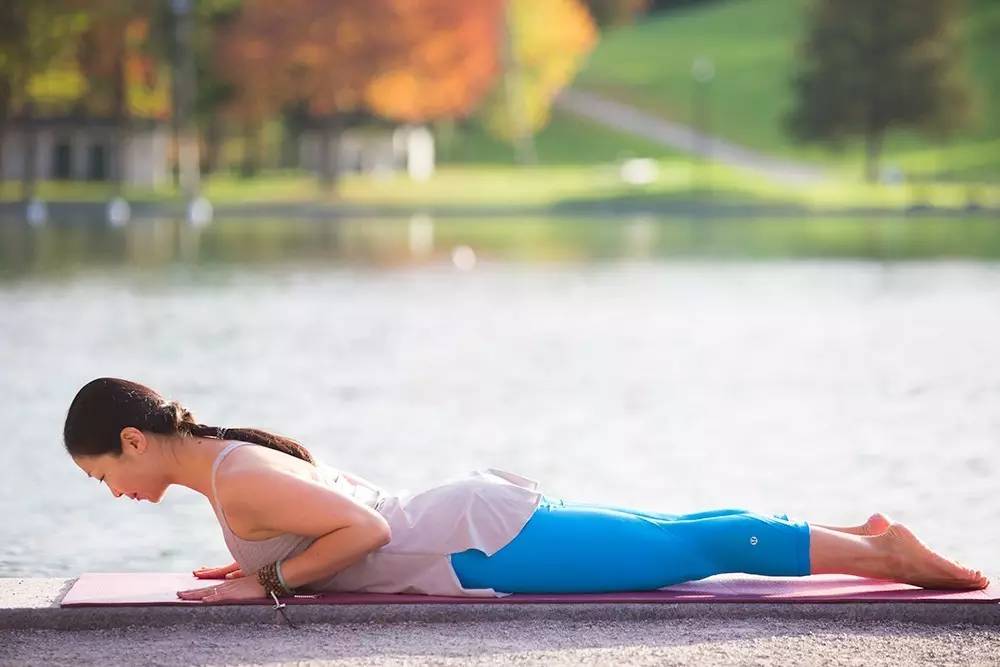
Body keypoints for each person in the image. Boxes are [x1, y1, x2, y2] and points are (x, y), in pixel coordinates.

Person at [63, 377, 989, 604]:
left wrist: (264, 582)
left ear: (134, 441)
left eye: (106, 474)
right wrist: (257, 553)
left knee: (688, 552)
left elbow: (358, 528)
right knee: (677, 532)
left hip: (477, 542)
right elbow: (326, 516)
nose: (113, 492)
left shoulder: (240, 475)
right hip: (470, 525)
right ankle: (857, 533)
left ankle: (885, 553)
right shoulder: (230, 467)